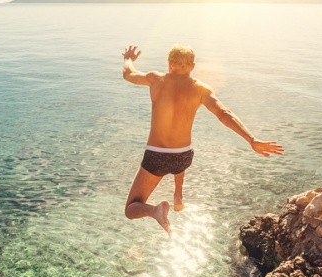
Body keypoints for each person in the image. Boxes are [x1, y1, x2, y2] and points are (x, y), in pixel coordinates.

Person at [122, 44, 284, 234]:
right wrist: (251, 139)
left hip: (156, 157)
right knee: (180, 159)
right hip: (183, 157)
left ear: (169, 64)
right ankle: (178, 196)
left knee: (131, 208)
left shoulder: (155, 79)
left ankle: (155, 210)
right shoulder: (201, 89)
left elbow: (128, 74)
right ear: (192, 66)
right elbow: (224, 113)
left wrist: (128, 58)